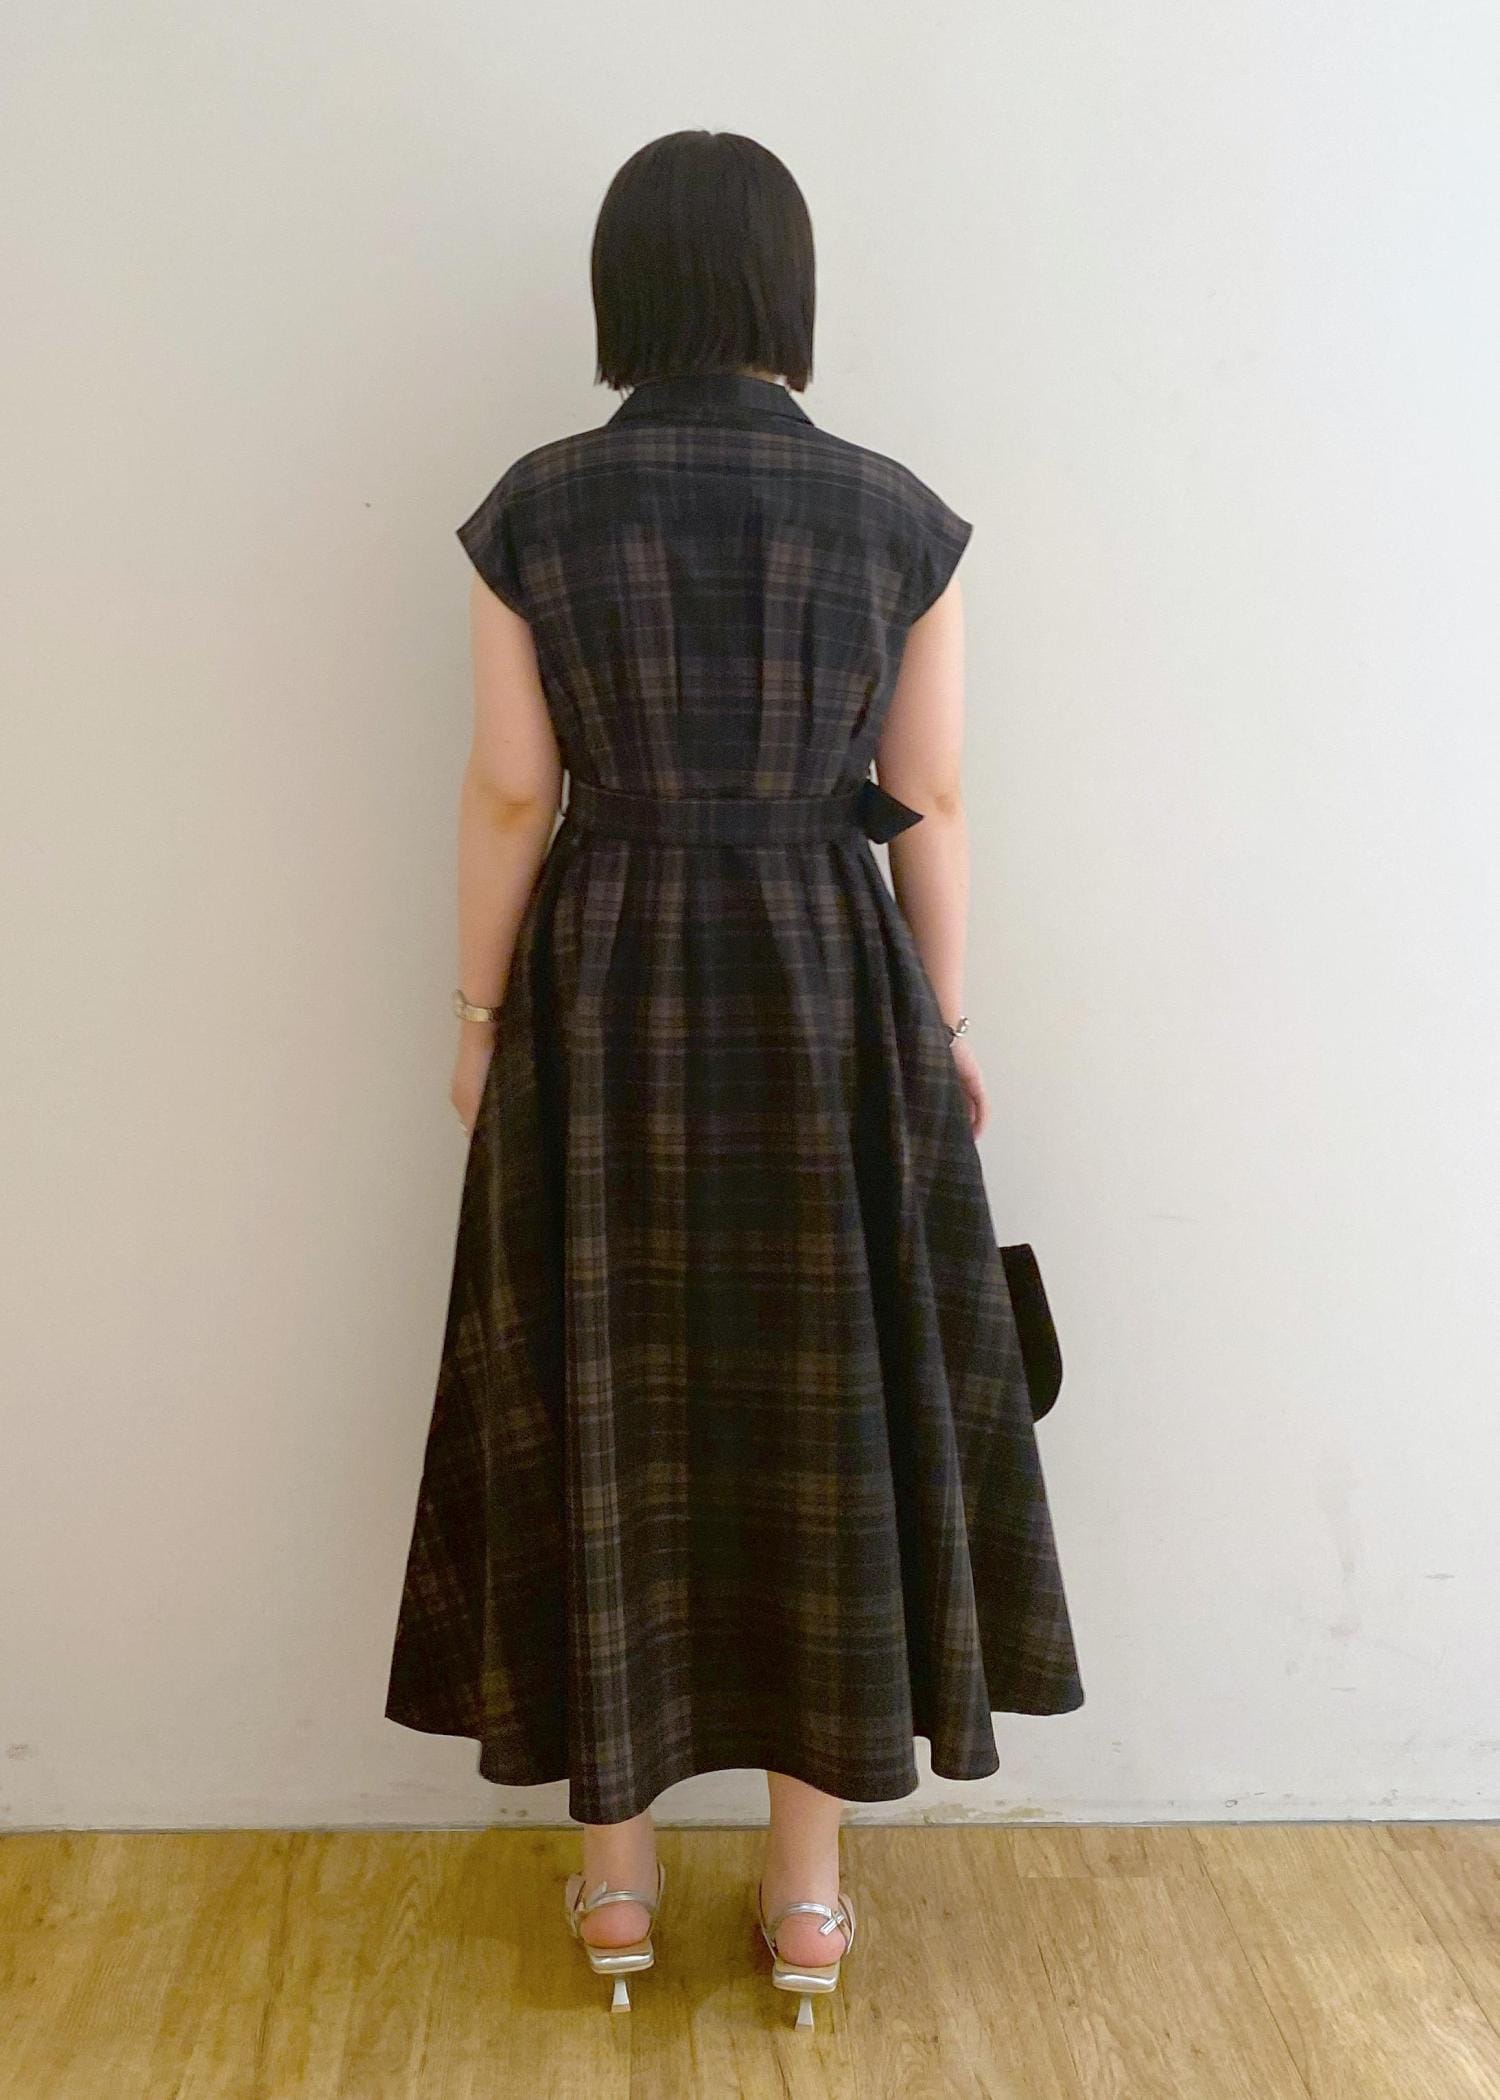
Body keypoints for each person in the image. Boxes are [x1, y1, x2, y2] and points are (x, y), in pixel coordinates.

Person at [384, 127, 1084, 2025]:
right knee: (819, 1412)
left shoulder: (538, 507)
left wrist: (476, 1021)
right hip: (828, 986)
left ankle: (615, 1890)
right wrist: (943, 1029)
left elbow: (513, 792)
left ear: (623, 289)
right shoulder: (894, 515)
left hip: (605, 982)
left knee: (606, 1380)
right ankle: (807, 1906)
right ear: (789, 289)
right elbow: (930, 797)